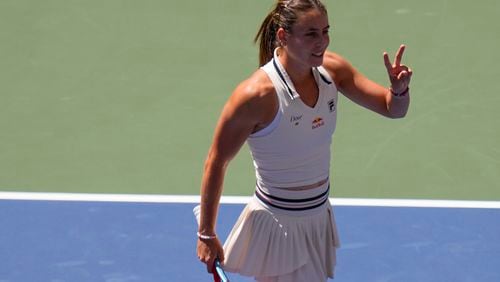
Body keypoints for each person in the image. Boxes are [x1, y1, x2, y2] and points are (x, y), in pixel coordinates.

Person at [196, 0, 412, 281]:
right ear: (284, 37)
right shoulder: (256, 96)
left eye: (325, 31)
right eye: (311, 34)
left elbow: (392, 110)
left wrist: (398, 92)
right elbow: (216, 161)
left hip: (317, 217)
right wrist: (206, 233)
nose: (321, 41)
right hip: (277, 224)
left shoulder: (332, 71)